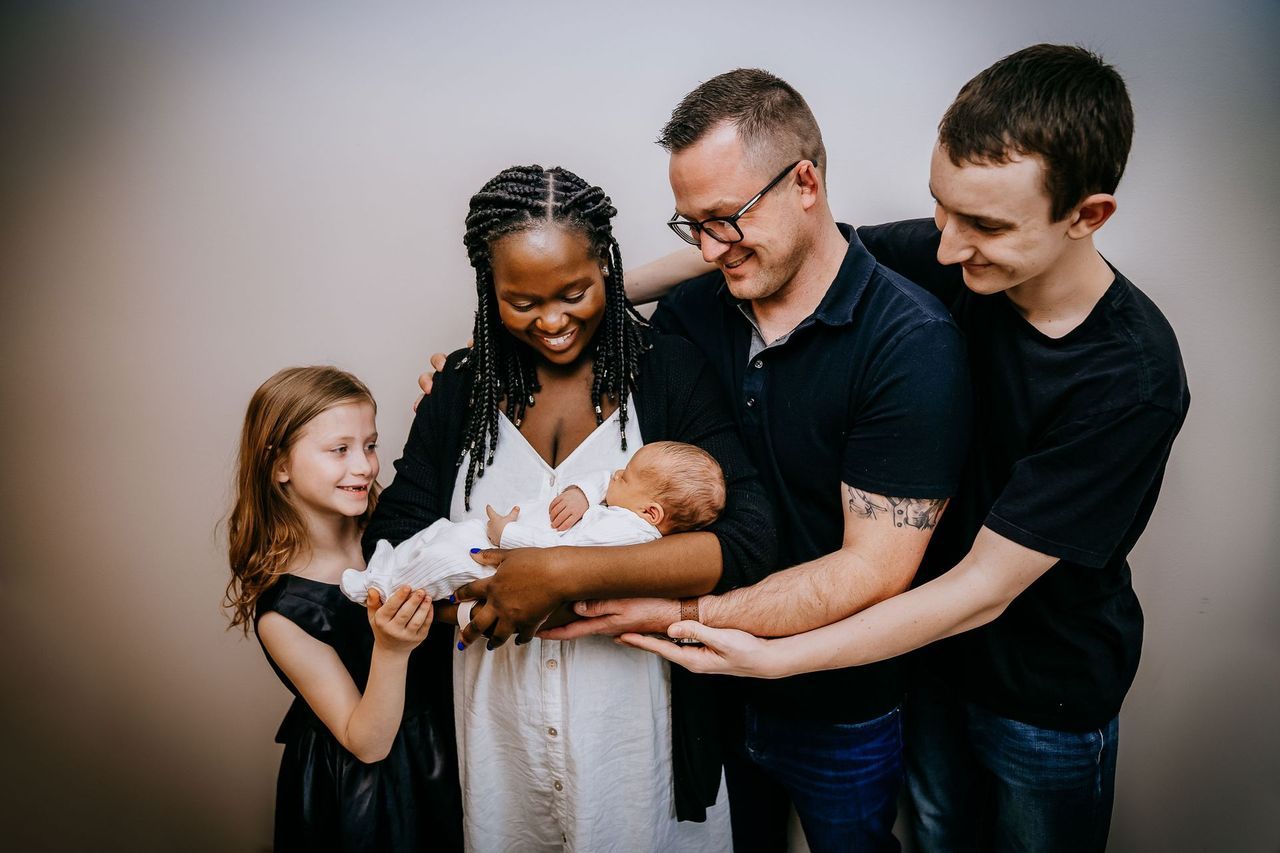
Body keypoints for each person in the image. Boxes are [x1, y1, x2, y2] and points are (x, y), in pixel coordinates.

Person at [609, 45, 1190, 853]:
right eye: (941, 209)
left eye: (983, 225)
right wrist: (589, 295)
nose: (947, 246)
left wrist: (775, 657)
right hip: (926, 664)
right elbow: (789, 243)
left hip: (1041, 692)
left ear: (1086, 215)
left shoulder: (1130, 378)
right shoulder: (954, 252)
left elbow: (984, 588)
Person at [537, 70, 973, 852]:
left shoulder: (909, 344)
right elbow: (575, 369)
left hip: (841, 705)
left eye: (725, 218)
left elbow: (871, 569)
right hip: (702, 697)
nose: (708, 248)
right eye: (690, 226)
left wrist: (685, 618)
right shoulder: (696, 309)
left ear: (805, 182)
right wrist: (472, 370)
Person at [363, 164, 776, 852]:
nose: (552, 321)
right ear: (487, 291)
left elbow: (750, 539)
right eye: (521, 301)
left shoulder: (670, 371)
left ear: (609, 272)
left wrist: (562, 577)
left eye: (576, 292)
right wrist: (482, 602)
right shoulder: (461, 391)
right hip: (498, 760)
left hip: (645, 762)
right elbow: (393, 540)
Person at [224, 365, 463, 852]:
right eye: (340, 450)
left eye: (370, 445)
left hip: (447, 741)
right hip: (370, 794)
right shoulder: (284, 613)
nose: (365, 466)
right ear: (279, 465)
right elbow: (366, 742)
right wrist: (392, 651)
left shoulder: (395, 529)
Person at [341, 440, 726, 604]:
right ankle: (388, 565)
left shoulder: (626, 533)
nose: (615, 475)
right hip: (497, 541)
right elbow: (605, 478)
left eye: (626, 476)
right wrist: (582, 492)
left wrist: (506, 533)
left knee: (444, 560)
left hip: (503, 556)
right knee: (442, 533)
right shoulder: (631, 505)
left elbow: (559, 556)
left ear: (651, 514)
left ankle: (383, 589)